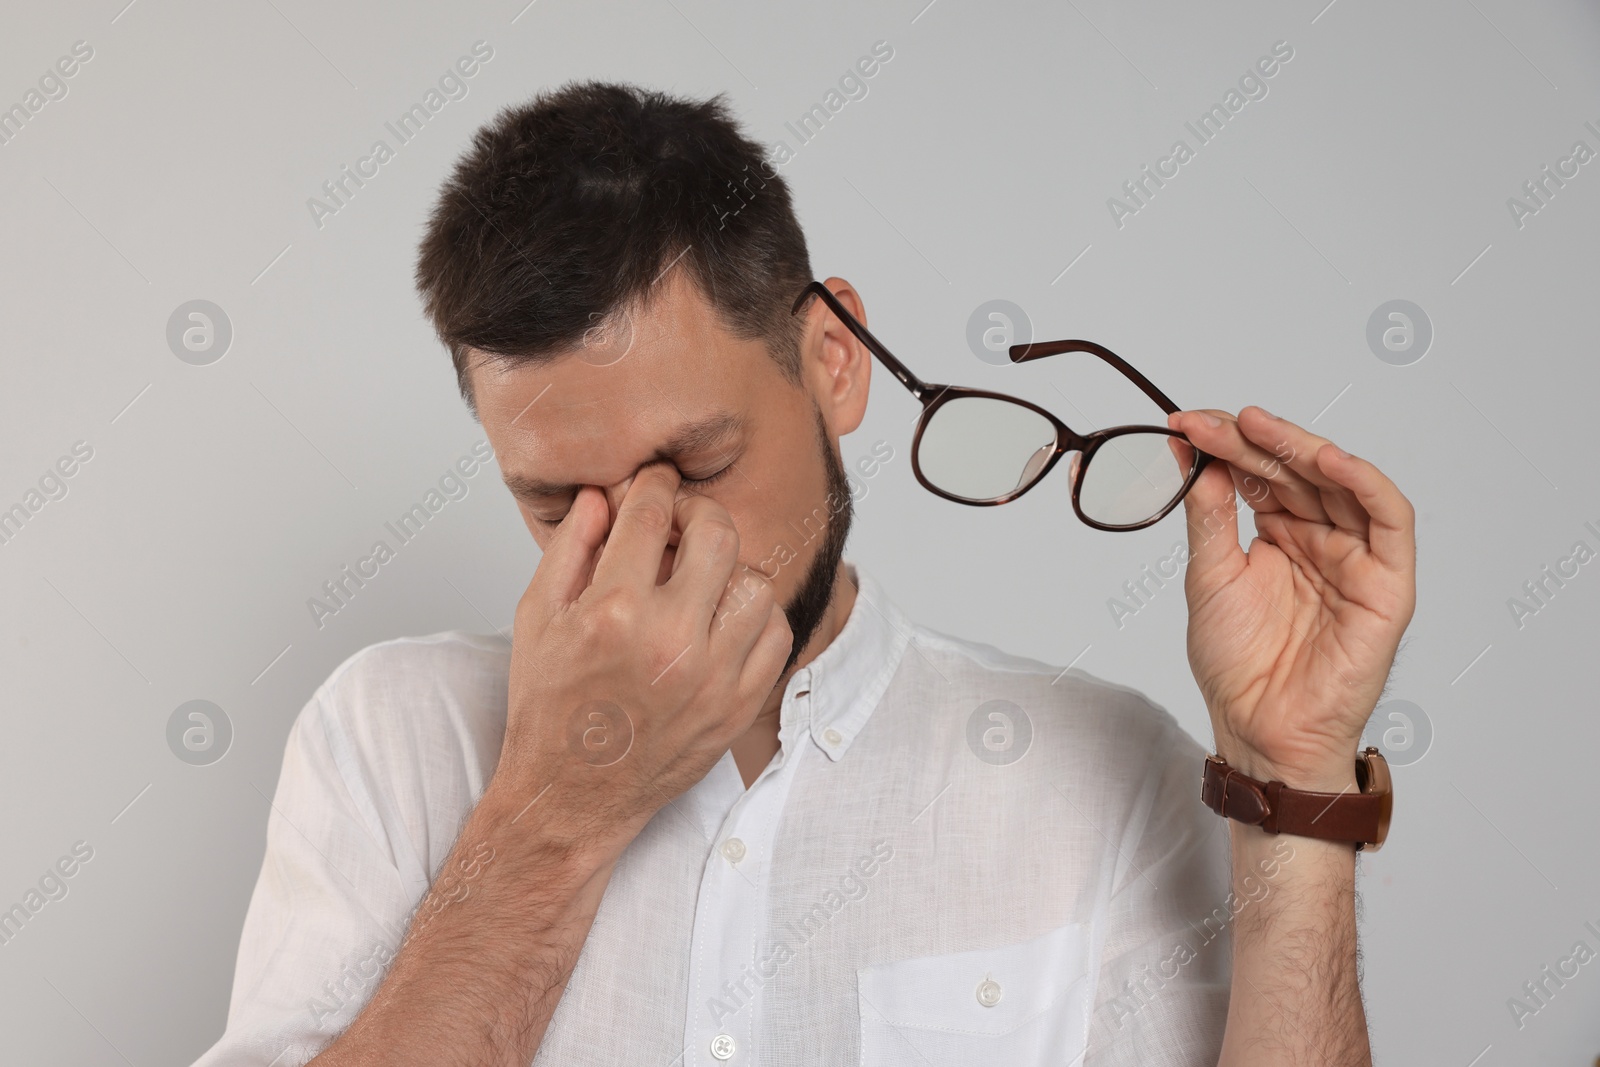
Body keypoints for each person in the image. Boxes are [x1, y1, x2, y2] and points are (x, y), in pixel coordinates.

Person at [192, 81, 1415, 1067]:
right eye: (561, 500)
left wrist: (1292, 777)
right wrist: (561, 806)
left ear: (831, 359)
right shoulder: (390, 738)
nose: (648, 542)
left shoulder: (1100, 771)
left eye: (699, 457)